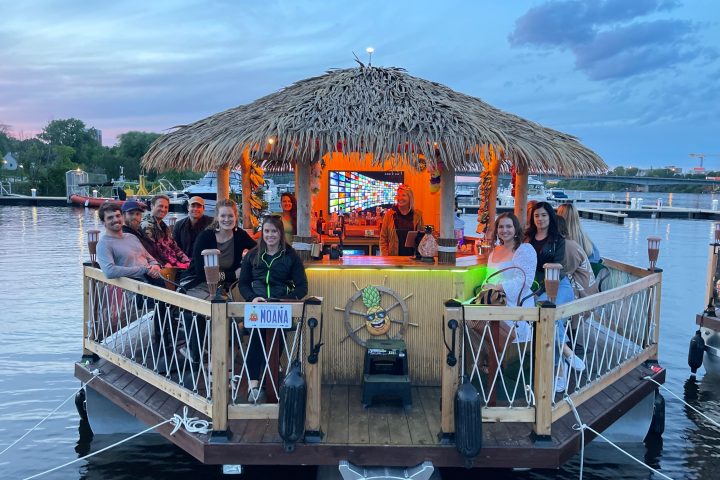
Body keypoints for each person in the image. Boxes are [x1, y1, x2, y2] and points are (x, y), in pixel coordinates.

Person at [239, 215, 308, 403]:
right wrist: (253, 298)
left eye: (274, 231)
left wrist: (285, 300)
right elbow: (243, 284)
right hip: (257, 306)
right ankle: (254, 386)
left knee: (276, 343)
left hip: (280, 308)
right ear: (263, 232)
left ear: (280, 234)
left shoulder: (290, 255)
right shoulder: (253, 255)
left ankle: (271, 383)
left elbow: (302, 287)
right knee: (255, 340)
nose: (270, 235)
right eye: (267, 231)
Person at [525, 201, 583, 392]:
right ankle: (566, 356)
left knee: (551, 316)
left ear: (550, 217)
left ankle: (559, 369)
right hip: (535, 288)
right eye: (536, 216)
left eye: (543, 215)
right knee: (551, 321)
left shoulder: (558, 240)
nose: (540, 219)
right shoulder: (528, 239)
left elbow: (556, 268)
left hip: (558, 284)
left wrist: (539, 292)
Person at [483, 213, 536, 343]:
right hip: (494, 299)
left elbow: (524, 280)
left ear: (516, 229)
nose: (504, 230)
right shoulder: (494, 250)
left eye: (508, 226)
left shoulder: (524, 249)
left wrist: (498, 287)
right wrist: (486, 288)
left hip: (515, 301)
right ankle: (489, 359)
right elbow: (489, 277)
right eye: (501, 227)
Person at [142, 194, 190, 269]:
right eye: (160, 206)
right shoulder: (147, 226)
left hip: (175, 264)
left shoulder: (163, 226)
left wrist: (186, 261)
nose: (163, 209)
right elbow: (154, 252)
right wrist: (178, 265)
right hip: (165, 267)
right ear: (152, 206)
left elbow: (174, 247)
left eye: (166, 207)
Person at [556, 216, 598, 298]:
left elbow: (562, 274)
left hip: (584, 297)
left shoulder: (567, 245)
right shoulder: (569, 243)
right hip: (588, 292)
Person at [379, 184, 424, 256]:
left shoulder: (417, 215)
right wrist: (386, 257)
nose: (400, 198)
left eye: (403, 195)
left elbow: (422, 239)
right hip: (393, 259)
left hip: (412, 260)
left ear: (410, 198)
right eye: (398, 195)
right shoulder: (389, 215)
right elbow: (383, 239)